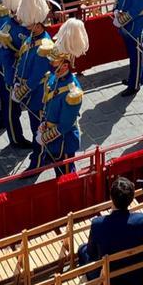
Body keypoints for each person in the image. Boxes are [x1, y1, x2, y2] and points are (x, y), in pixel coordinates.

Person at [79, 175, 143, 285]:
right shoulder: (142, 221)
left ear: (111, 197)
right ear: (131, 199)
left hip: (106, 283)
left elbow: (91, 253)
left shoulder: (97, 224)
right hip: (135, 279)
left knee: (82, 250)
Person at [34, 19, 88, 175]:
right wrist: (43, 124)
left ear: (65, 65)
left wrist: (46, 137)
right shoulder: (52, 78)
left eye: (55, 62)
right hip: (51, 134)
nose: (51, 65)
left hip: (63, 140)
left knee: (66, 174)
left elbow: (65, 125)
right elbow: (48, 105)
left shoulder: (73, 92)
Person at [11, 0, 55, 145]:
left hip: (38, 94)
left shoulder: (45, 46)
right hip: (29, 93)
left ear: (37, 24)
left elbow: (37, 75)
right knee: (34, 125)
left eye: (29, 24)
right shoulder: (31, 37)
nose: (26, 26)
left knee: (39, 128)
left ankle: (40, 156)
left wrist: (23, 90)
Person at [0, 0, 32, 148]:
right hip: (14, 73)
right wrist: (10, 80)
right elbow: (6, 56)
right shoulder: (7, 28)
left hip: (29, 72)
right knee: (11, 109)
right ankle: (16, 139)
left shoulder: (29, 24)